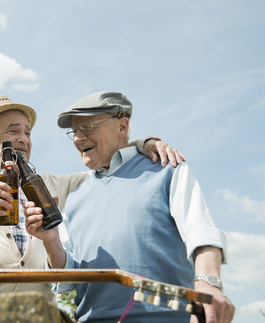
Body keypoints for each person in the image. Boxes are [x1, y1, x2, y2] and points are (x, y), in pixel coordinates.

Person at [0, 95, 185, 300]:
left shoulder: (49, 184)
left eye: (27, 132)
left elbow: (107, 169)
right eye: (14, 131)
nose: (24, 139)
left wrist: (139, 144)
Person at [24, 91, 235, 322]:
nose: (78, 138)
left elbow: (199, 230)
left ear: (122, 127)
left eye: (87, 127)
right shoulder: (75, 197)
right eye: (74, 131)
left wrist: (208, 282)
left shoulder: (166, 168)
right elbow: (69, 278)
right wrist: (51, 240)